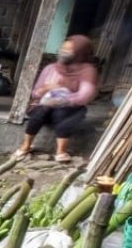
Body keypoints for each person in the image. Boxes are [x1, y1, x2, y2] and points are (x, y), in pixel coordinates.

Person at [16, 34, 97, 163]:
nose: (63, 52)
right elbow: (35, 94)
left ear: (80, 52)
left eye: (69, 50)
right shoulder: (50, 68)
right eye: (63, 49)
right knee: (41, 110)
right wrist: (45, 90)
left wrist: (63, 95)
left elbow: (84, 96)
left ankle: (60, 151)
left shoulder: (88, 71)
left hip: (71, 108)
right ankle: (25, 146)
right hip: (45, 105)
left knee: (62, 114)